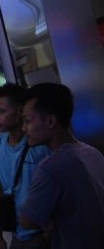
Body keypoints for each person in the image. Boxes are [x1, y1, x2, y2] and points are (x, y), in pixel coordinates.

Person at [20, 83, 104, 248]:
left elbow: (27, 221)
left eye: (28, 120)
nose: (24, 128)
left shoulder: (50, 168)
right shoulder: (93, 153)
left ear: (51, 121)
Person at [0, 83, 51, 249]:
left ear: (20, 111)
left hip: (40, 233)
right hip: (17, 234)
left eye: (1, 111)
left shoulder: (39, 145)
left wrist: (48, 234)